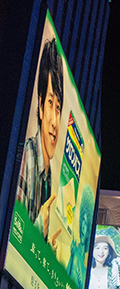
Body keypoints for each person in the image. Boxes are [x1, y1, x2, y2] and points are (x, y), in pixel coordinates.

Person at [16, 36, 63, 240]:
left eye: (59, 108)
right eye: (51, 103)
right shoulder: (26, 158)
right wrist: (37, 230)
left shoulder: (48, 174)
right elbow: (14, 236)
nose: (54, 121)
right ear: (41, 106)